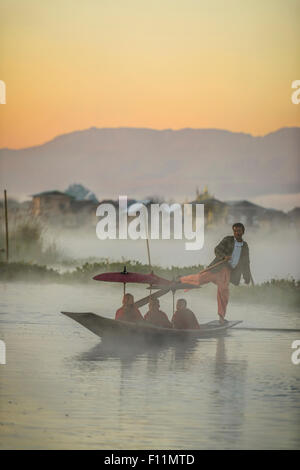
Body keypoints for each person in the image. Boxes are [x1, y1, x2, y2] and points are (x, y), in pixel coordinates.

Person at [180, 222, 252, 323]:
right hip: (218, 267)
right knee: (199, 279)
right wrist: (224, 257)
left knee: (224, 292)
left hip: (227, 271)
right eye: (235, 231)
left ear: (243, 232)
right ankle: (180, 280)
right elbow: (217, 249)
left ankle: (221, 317)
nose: (237, 233)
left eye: (239, 231)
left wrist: (246, 276)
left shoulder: (245, 246)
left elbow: (246, 262)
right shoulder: (228, 240)